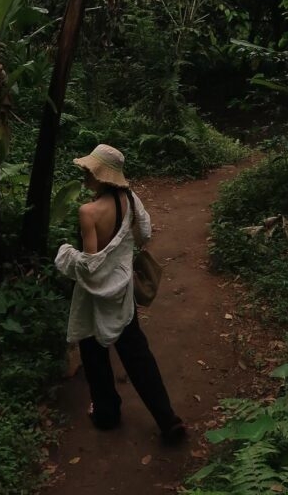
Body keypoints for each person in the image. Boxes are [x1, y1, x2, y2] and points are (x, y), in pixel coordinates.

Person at [54, 143, 186, 444]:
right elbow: (145, 234)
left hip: (93, 296)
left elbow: (90, 267)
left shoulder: (87, 211)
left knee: (94, 355)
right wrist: (123, 251)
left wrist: (65, 254)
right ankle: (167, 419)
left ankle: (106, 414)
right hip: (123, 290)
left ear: (103, 176)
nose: (85, 174)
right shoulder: (129, 198)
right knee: (138, 355)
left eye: (90, 170)